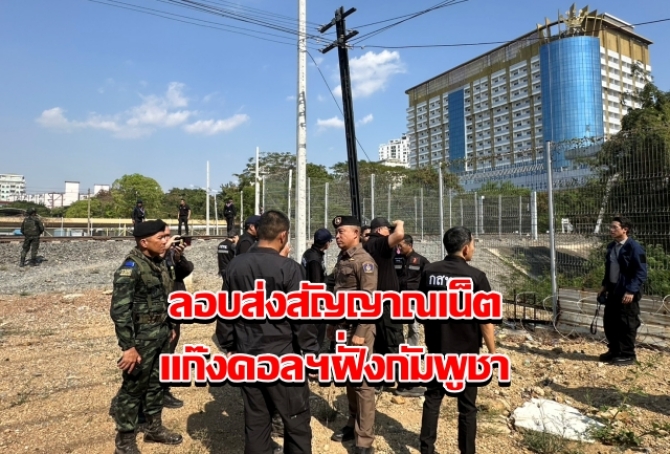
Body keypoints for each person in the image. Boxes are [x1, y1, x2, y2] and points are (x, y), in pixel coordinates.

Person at [216, 210, 319, 454]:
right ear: (283, 236)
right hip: (283, 359)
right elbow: (302, 319)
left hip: (247, 357)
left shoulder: (235, 266)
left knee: (256, 423)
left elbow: (225, 311)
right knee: (296, 424)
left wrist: (229, 346)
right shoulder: (290, 269)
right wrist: (311, 353)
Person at [418, 226, 497, 454]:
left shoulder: (429, 271)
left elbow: (421, 310)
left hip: (437, 348)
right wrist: (493, 354)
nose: (473, 248)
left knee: (433, 398)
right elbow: (485, 322)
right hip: (467, 353)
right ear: (465, 248)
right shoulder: (476, 277)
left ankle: (426, 449)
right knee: (467, 407)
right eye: (473, 244)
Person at [109, 219, 183, 453]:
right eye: (160, 238)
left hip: (161, 333)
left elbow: (164, 297)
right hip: (141, 338)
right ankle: (124, 441)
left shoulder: (157, 263)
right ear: (144, 242)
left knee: (156, 383)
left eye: (166, 237)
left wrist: (170, 325)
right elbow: (120, 311)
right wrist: (128, 347)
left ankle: (154, 429)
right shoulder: (131, 268)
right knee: (133, 388)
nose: (165, 242)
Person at [329, 215, 378, 454]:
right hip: (342, 328)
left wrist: (360, 331)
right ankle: (352, 422)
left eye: (342, 232)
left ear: (356, 234)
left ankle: (364, 440)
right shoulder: (342, 258)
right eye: (336, 232)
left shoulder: (364, 262)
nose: (337, 236)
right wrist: (331, 323)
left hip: (359, 331)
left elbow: (369, 300)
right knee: (349, 377)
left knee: (363, 384)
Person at [363, 217, 420, 396]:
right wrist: (399, 223)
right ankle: (406, 385)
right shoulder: (378, 243)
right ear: (380, 230)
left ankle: (380, 380)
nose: (390, 232)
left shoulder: (368, 245)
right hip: (386, 304)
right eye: (388, 229)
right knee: (394, 342)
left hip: (375, 302)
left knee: (380, 344)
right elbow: (400, 235)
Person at [597, 216, 648, 366]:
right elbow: (609, 269)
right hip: (613, 290)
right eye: (610, 227)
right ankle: (614, 350)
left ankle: (627, 354)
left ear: (625, 229)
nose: (611, 230)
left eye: (615, 227)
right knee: (610, 321)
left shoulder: (635, 248)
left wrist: (631, 291)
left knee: (627, 323)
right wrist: (605, 286)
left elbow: (641, 272)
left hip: (627, 291)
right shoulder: (611, 247)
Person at [162, 230, 195, 409]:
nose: (169, 241)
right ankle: (155, 393)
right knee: (158, 355)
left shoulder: (171, 257)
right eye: (164, 237)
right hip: (161, 315)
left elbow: (187, 270)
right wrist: (165, 254)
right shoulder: (152, 259)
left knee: (169, 351)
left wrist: (177, 257)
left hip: (175, 311)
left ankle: (163, 390)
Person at [393, 234, 430, 349]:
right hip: (398, 298)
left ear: (409, 245)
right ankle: (397, 348)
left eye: (400, 245)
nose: (398, 248)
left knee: (413, 326)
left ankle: (411, 349)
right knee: (396, 325)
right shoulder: (396, 259)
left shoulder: (421, 260)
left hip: (413, 299)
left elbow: (428, 277)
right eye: (397, 246)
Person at [301, 228, 334, 352]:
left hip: (308, 297)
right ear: (326, 243)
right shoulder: (315, 259)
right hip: (314, 301)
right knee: (317, 334)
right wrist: (321, 303)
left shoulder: (309, 253)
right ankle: (314, 358)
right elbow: (316, 283)